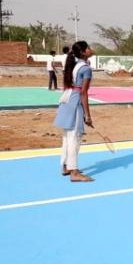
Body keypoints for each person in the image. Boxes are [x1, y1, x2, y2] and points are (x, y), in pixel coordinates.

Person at [53, 41, 95, 183]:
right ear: (83, 52)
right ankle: (74, 171)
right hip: (75, 102)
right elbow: (83, 93)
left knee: (67, 137)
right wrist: (87, 115)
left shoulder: (75, 65)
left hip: (68, 100)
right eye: (88, 48)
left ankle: (65, 166)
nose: (91, 49)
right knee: (74, 138)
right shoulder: (86, 69)